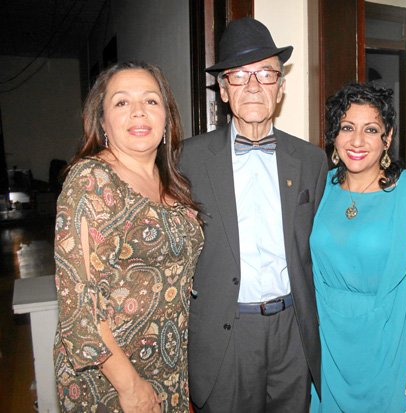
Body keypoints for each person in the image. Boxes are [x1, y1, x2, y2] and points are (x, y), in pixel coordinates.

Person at [180, 17, 328, 412]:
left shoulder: (312, 160)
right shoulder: (187, 160)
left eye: (265, 73)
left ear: (280, 87)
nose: (253, 86)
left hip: (292, 332)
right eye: (239, 75)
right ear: (223, 89)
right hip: (226, 333)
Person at [53, 61, 204, 412]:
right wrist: (130, 385)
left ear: (166, 119)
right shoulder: (92, 181)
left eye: (151, 101)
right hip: (111, 378)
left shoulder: (171, 184)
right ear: (102, 122)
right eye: (122, 102)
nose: (139, 111)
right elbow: (79, 306)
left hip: (168, 367)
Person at [309, 82, 406, 412]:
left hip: (391, 341)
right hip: (329, 345)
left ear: (388, 137)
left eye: (371, 129)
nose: (357, 141)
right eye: (347, 128)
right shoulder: (319, 187)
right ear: (334, 135)